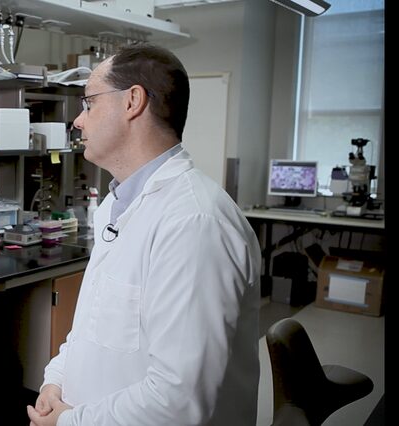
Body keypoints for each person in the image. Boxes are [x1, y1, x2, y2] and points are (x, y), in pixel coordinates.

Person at [28, 43, 261, 425]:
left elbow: (179, 400)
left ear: (132, 101)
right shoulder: (117, 206)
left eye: (89, 104)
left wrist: (71, 422)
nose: (78, 121)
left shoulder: (194, 223)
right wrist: (57, 379)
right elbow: (91, 327)